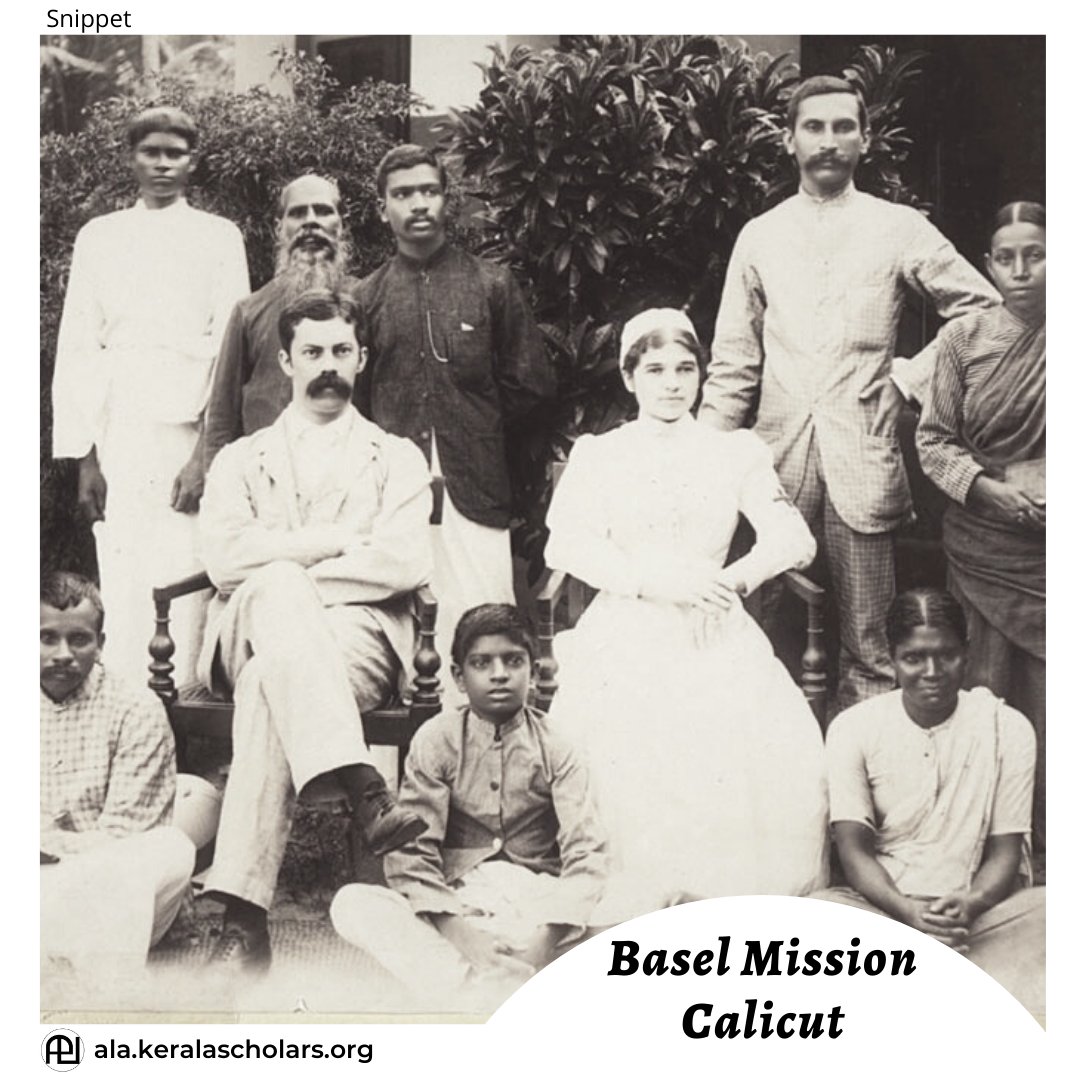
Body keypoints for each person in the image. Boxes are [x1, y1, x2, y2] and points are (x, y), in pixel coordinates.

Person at [701, 75, 1001, 710]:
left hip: (862, 465)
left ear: (865, 140)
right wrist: (700, 466)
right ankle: (770, 781)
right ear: (789, 140)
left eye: (843, 127)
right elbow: (732, 365)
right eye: (814, 127)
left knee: (869, 640)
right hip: (773, 469)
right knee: (756, 630)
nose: (829, 141)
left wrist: (911, 376)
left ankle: (864, 783)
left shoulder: (897, 227)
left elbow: (984, 311)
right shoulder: (760, 235)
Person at [544, 308, 828, 922]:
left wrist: (733, 579)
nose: (672, 383)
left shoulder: (733, 452)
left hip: (714, 624)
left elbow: (792, 536)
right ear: (629, 378)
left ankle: (713, 903)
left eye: (685, 368)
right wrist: (651, 583)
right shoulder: (600, 454)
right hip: (630, 619)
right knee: (631, 737)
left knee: (733, 736)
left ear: (701, 375)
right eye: (655, 370)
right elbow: (566, 543)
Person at [197, 289, 433, 972]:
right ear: (284, 360)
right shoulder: (241, 458)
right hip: (249, 627)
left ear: (361, 358)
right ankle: (364, 786)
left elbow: (403, 559)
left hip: (359, 635)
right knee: (272, 593)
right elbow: (223, 558)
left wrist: (288, 566)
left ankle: (243, 924)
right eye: (312, 352)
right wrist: (331, 542)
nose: (327, 365)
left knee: (275, 675)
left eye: (340, 351)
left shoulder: (396, 457)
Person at [51, 106, 250, 687]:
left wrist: (205, 455)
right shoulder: (101, 237)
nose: (163, 164)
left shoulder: (219, 236)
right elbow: (79, 346)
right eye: (151, 152)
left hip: (188, 430)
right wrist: (86, 456)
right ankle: (133, 707)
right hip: (120, 432)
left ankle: (185, 704)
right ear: (131, 158)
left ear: (193, 161)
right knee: (125, 568)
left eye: (175, 153)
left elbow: (229, 349)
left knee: (186, 569)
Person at [331, 604, 607, 1010]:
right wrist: (462, 934)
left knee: (653, 899)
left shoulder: (557, 745)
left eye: (513, 661)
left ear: (532, 671)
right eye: (482, 663)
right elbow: (413, 856)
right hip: (459, 905)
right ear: (459, 677)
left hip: (537, 907)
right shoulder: (437, 740)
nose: (499, 674)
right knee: (352, 904)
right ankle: (484, 990)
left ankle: (489, 987)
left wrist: (544, 940)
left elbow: (586, 853)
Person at [359, 144, 555, 670]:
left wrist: (474, 427)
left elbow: (530, 384)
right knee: (404, 636)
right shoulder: (366, 297)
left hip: (478, 488)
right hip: (395, 497)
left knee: (487, 626)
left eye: (429, 190)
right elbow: (357, 406)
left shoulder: (491, 284)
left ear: (447, 200)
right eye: (403, 194)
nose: (418, 204)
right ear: (383, 208)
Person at [814, 588, 1044, 1019]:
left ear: (967, 652)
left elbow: (1006, 852)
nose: (932, 671)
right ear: (893, 657)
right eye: (914, 658)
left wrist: (969, 903)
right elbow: (853, 848)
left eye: (947, 655)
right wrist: (906, 911)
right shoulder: (854, 727)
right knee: (815, 919)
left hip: (976, 917)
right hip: (882, 910)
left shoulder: (1007, 728)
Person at [916, 202, 1046, 869]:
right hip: (982, 549)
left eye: (1037, 253)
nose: (1021, 270)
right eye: (1006, 257)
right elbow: (933, 441)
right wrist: (987, 490)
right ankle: (987, 857)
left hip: (1053, 557)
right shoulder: (964, 339)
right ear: (989, 263)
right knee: (985, 705)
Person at [40, 571, 197, 973]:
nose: (62, 653)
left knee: (170, 846)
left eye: (79, 639)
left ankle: (102, 1000)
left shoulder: (135, 708)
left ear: (101, 643)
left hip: (106, 883)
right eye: (46, 638)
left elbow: (124, 837)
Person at [203, 174, 363, 474]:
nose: (310, 222)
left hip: (350, 476)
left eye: (323, 211)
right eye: (298, 213)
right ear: (280, 229)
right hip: (270, 480)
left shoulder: (367, 300)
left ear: (340, 225)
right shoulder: (249, 311)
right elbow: (222, 418)